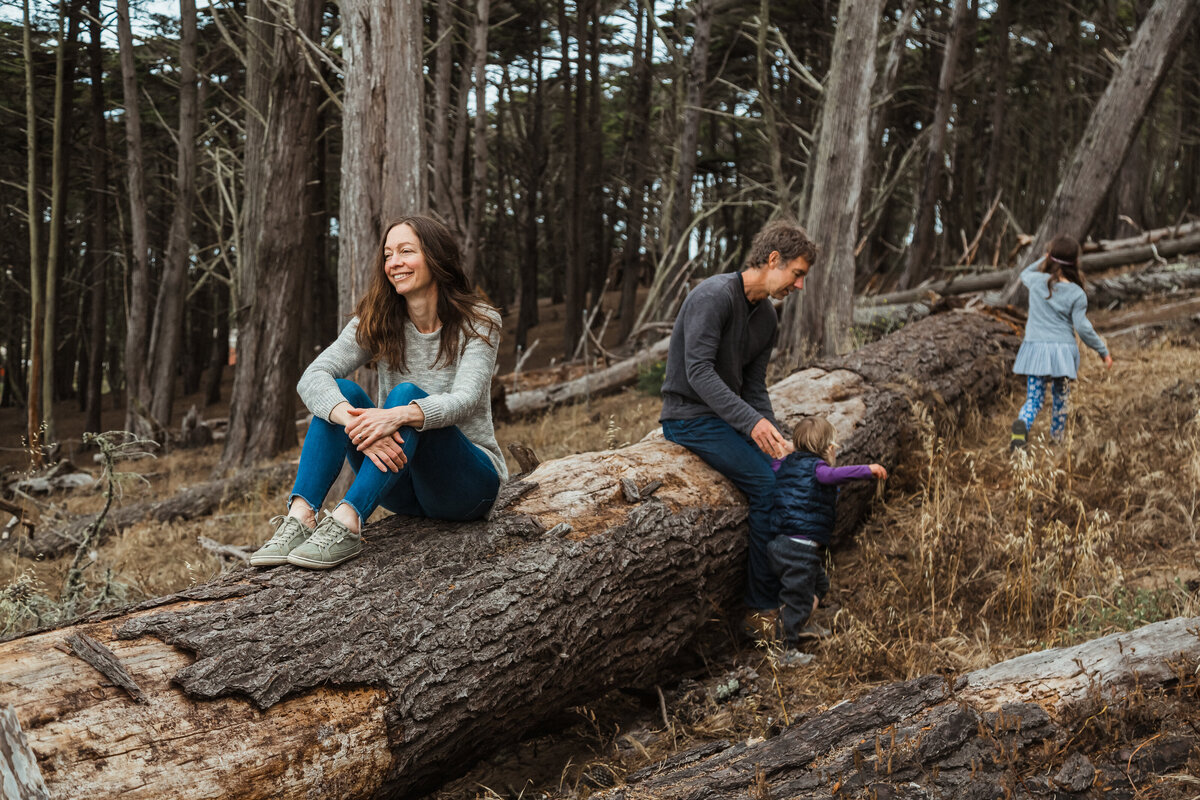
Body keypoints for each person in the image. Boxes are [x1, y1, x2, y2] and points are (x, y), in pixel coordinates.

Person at [250, 214, 507, 570]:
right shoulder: (379, 318)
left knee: (403, 395)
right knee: (338, 392)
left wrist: (398, 415)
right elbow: (313, 376)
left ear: (436, 257)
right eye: (388, 255)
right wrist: (351, 420)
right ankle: (301, 517)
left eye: (406, 251)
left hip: (466, 487)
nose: (394, 263)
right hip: (401, 485)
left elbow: (465, 401)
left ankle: (348, 521)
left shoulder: (479, 320)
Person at [659, 218, 818, 630]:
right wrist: (752, 425)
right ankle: (760, 610)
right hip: (689, 419)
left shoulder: (767, 318)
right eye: (797, 274)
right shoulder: (713, 296)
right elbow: (698, 372)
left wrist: (775, 431)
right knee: (769, 487)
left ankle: (804, 589)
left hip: (725, 420)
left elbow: (754, 387)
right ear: (772, 260)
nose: (799, 286)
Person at [768, 416, 886, 648]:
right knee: (796, 600)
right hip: (798, 550)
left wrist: (791, 449)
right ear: (829, 449)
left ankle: (800, 623)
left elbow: (775, 463)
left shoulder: (784, 465)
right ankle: (785, 649)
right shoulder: (819, 470)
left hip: (783, 544)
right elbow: (836, 475)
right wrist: (868, 470)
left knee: (820, 585)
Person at [1010, 234, 1112, 450]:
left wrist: (1045, 258)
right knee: (1060, 399)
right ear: (1075, 262)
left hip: (1036, 351)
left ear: (1049, 258)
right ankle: (1056, 441)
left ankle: (1021, 429)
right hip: (1062, 356)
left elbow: (1024, 273)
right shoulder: (1076, 293)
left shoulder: (1036, 282)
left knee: (1033, 401)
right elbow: (1083, 328)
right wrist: (1102, 351)